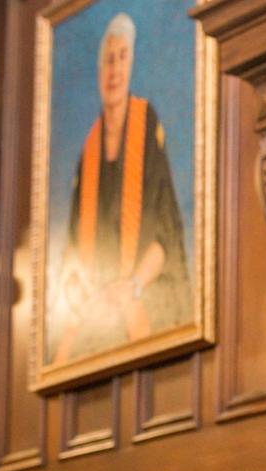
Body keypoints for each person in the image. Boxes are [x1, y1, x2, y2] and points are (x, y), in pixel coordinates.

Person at [52, 12, 192, 364]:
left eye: (122, 58)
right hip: (99, 308)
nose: (114, 70)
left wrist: (132, 286)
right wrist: (78, 291)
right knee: (68, 353)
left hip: (145, 289)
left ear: (131, 65)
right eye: (107, 60)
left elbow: (166, 233)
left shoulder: (146, 126)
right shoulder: (89, 150)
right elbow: (72, 249)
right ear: (99, 70)